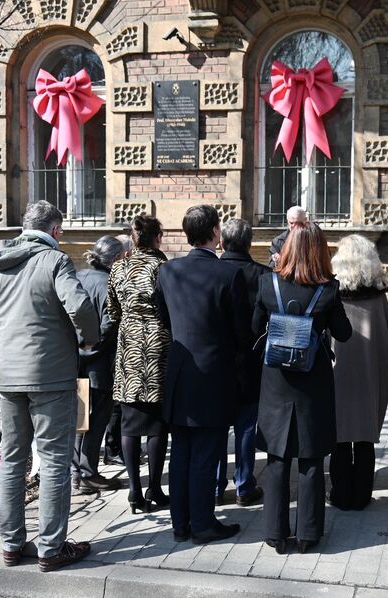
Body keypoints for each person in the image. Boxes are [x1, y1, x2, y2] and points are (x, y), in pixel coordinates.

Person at [0, 200, 99, 572]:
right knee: (53, 461)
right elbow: (80, 308)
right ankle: (50, 548)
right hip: (51, 375)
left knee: (13, 458)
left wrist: (4, 351)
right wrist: (89, 340)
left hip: (9, 375)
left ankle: (11, 545)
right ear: (55, 230)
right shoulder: (55, 261)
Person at [254, 222, 352, 554]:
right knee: (311, 457)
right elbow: (344, 333)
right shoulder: (329, 290)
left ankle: (275, 533)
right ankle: (308, 534)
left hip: (276, 380)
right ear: (320, 251)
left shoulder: (267, 284)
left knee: (277, 457)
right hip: (313, 381)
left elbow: (253, 328)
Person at [155, 205, 250, 544]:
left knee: (181, 451)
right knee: (206, 453)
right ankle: (203, 524)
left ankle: (181, 524)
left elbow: (163, 317)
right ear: (215, 233)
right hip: (213, 374)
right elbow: (242, 332)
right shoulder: (228, 274)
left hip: (180, 373)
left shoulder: (168, 271)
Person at [108, 215, 171, 515]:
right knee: (157, 423)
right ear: (157, 237)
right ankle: (154, 488)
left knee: (130, 422)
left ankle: (134, 489)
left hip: (129, 345)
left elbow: (112, 310)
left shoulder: (118, 267)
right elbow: (170, 307)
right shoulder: (162, 267)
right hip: (158, 343)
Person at [329, 234, 388, 511]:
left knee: (340, 434)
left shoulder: (331, 293)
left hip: (338, 371)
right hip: (371, 371)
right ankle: (362, 495)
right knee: (365, 436)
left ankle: (341, 493)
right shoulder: (378, 296)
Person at [215, 218, 270, 507]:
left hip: (217, 360)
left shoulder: (212, 271)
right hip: (252, 359)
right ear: (250, 243)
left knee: (217, 426)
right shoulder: (264, 275)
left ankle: (215, 486)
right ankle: (244, 486)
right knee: (247, 426)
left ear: (222, 242)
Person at [72, 236, 124, 494]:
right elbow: (108, 326)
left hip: (75, 361)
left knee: (79, 419)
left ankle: (76, 472)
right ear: (116, 259)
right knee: (96, 419)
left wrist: (77, 350)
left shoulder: (77, 278)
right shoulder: (110, 284)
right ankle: (88, 473)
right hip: (99, 365)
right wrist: (89, 349)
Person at [103, 234, 132, 468]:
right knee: (115, 406)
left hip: (96, 353)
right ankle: (112, 448)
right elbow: (112, 319)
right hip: (109, 352)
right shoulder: (112, 280)